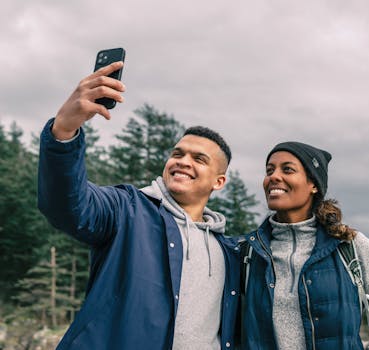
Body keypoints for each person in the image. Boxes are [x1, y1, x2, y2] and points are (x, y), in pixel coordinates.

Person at [38, 61, 240, 350]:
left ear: (219, 182)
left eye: (199, 159)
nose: (182, 161)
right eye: (178, 153)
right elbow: (66, 205)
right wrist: (64, 131)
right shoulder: (126, 209)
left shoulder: (230, 253)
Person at [241, 141, 369, 349]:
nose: (273, 176)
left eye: (288, 169)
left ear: (314, 185)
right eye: (269, 170)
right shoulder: (248, 253)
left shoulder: (351, 246)